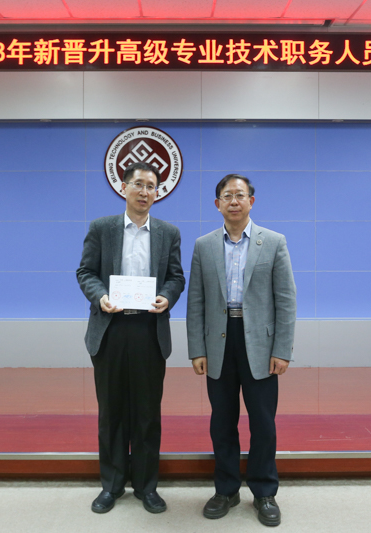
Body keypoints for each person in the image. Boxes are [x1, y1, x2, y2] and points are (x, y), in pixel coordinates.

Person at [186, 174, 296, 527]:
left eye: (240, 195)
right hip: (218, 341)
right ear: (217, 204)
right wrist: (196, 348)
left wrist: (282, 349)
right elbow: (196, 301)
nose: (233, 201)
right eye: (227, 195)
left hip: (260, 344)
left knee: (263, 421)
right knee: (222, 421)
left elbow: (286, 300)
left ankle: (264, 492)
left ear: (251, 201)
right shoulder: (204, 245)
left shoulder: (273, 242)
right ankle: (226, 489)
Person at [77, 161, 185, 515]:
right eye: (138, 184)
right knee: (111, 411)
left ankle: (146, 486)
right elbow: (86, 271)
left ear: (157, 193)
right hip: (110, 329)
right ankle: (111, 485)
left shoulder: (168, 232)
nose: (144, 192)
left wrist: (167, 296)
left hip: (149, 331)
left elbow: (176, 277)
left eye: (151, 186)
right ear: (124, 187)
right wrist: (100, 296)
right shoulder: (102, 228)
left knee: (147, 413)